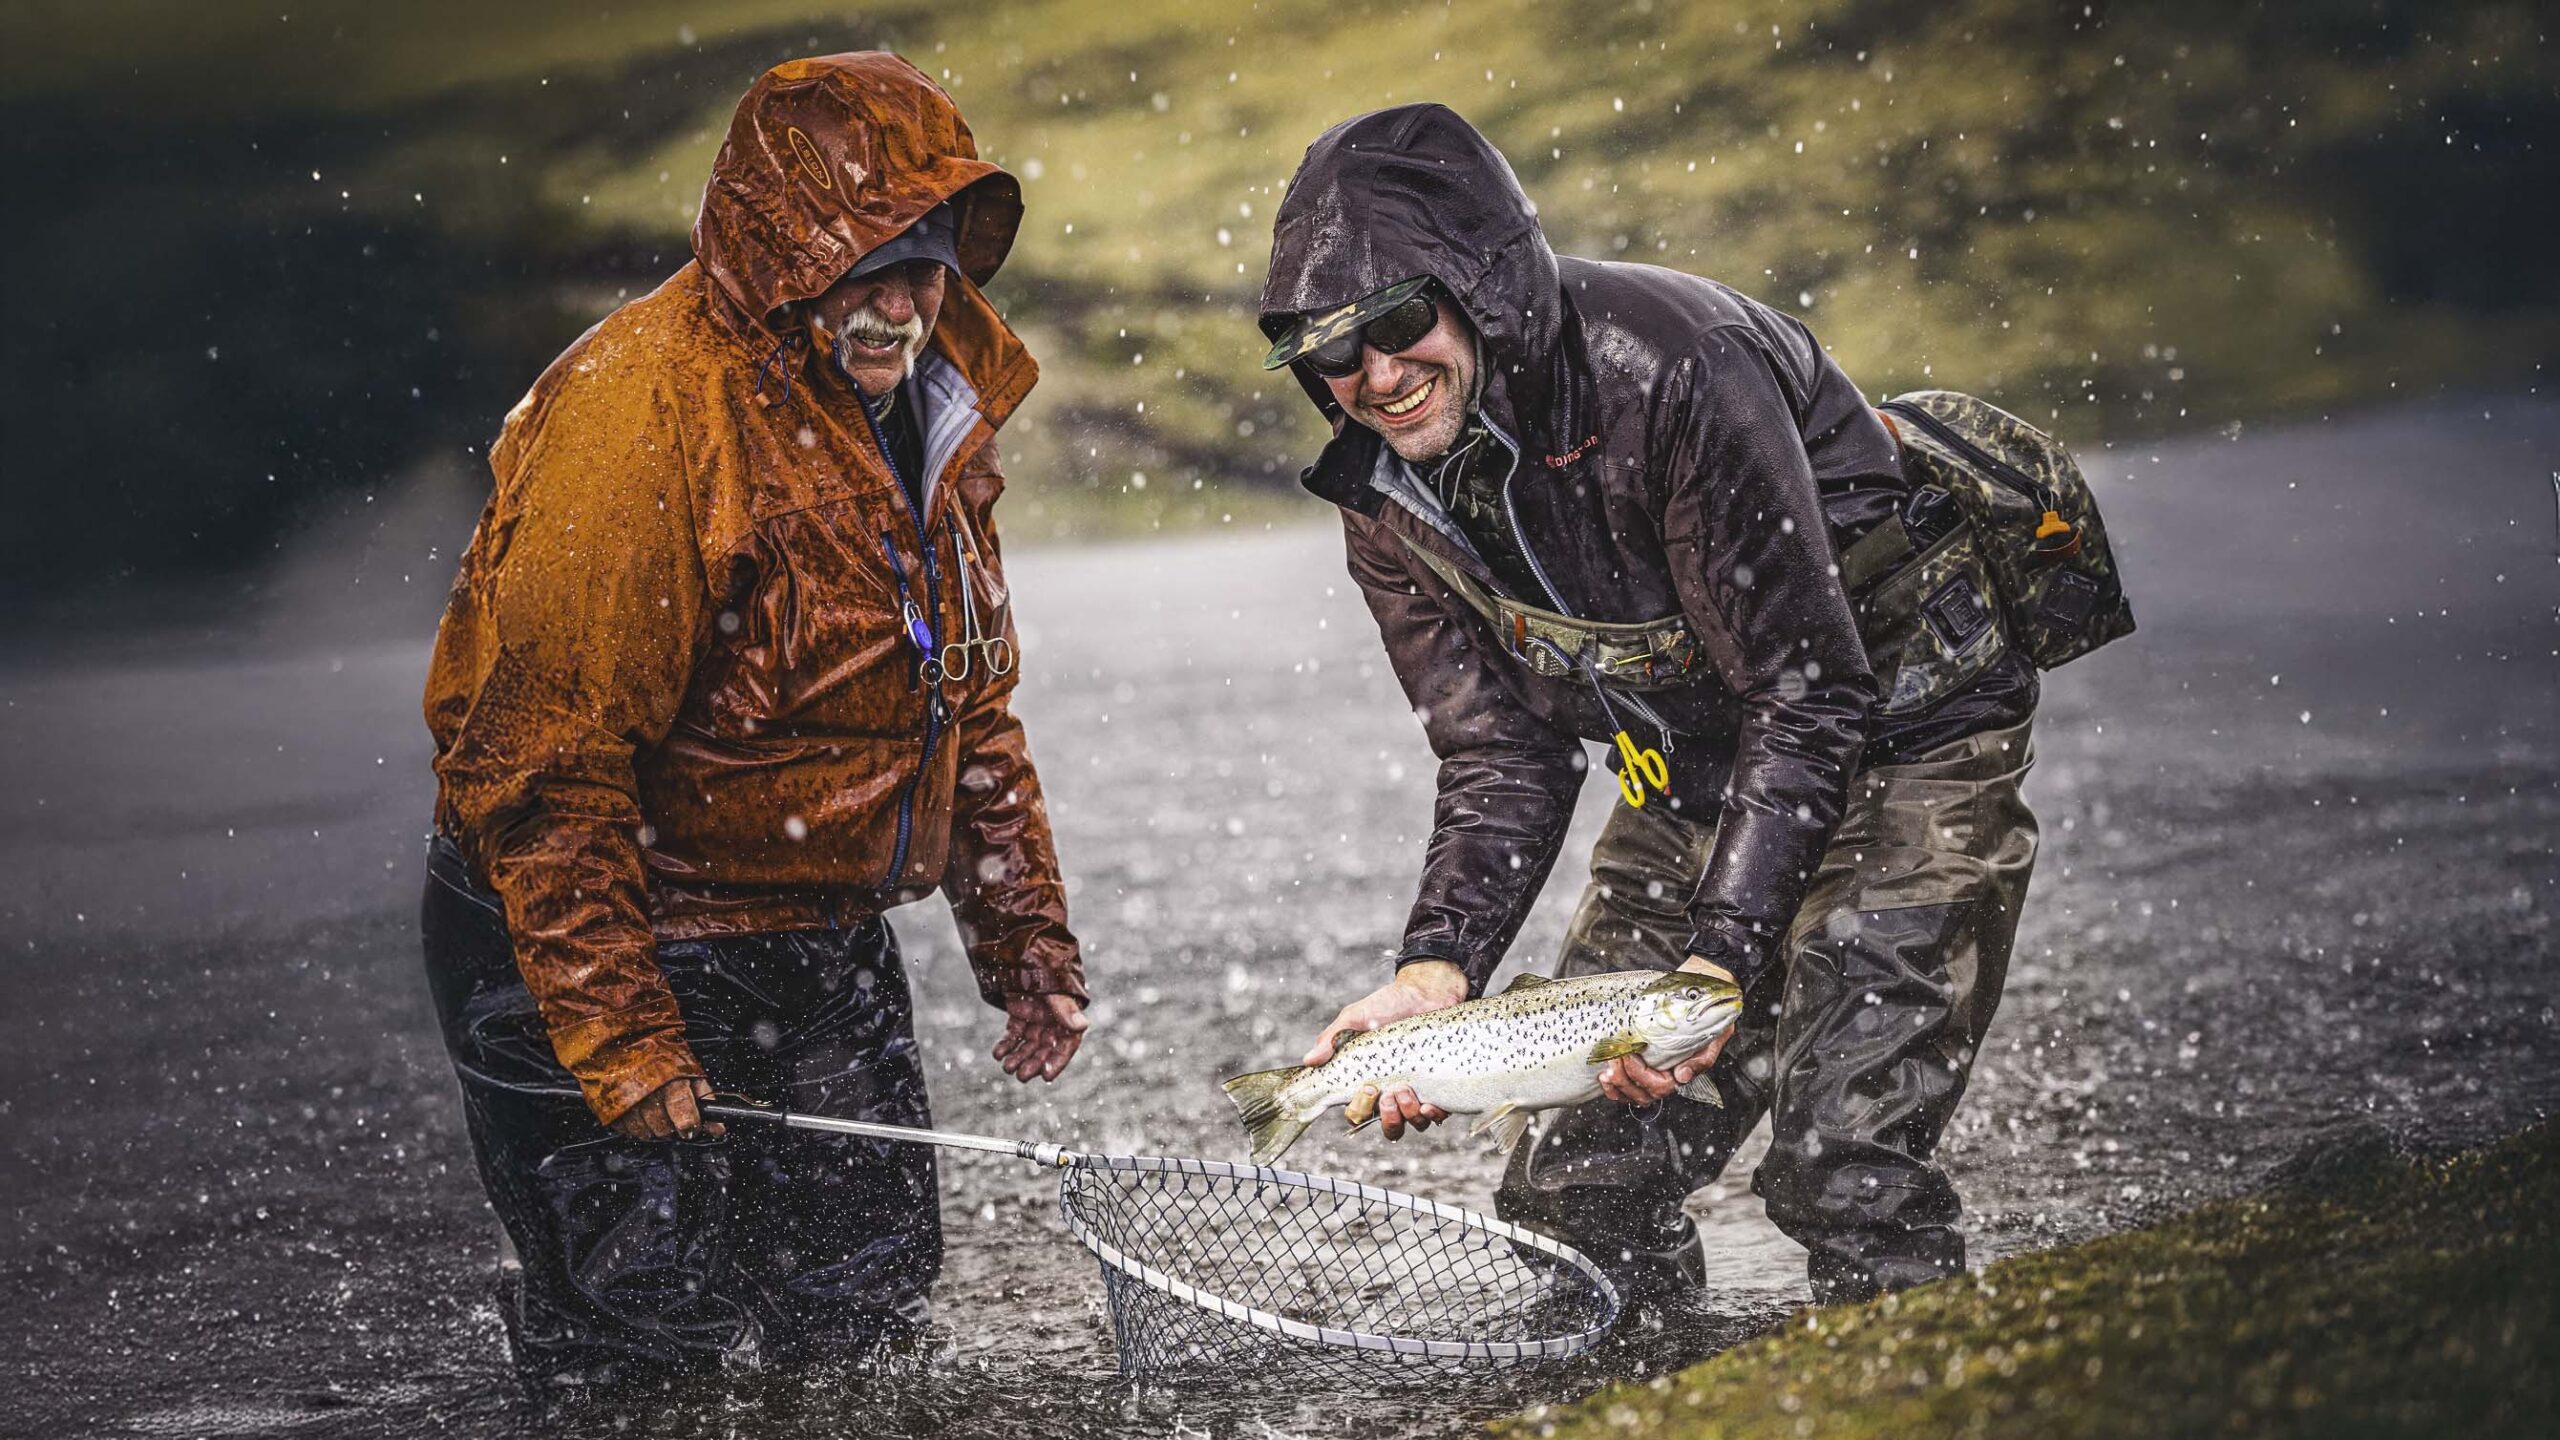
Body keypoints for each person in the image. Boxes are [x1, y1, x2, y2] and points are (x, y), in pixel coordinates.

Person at [1259, 104, 2039, 1306]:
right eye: (1330, 354)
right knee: (1575, 1190)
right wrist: (1435, 971)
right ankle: (1657, 1382)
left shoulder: (1674, 370)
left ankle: (1919, 1371)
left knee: (1846, 1166)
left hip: (1906, 741)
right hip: (1692, 772)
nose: (1375, 376)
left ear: (1479, 288)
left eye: (1399, 323)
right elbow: (1500, 755)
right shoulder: (1382, 497)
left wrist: (1716, 965)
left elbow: (1805, 695)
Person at [419, 52, 1087, 1389]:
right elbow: (545, 774)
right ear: (785, 254)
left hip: (815, 935)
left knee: (866, 1323)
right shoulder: (638, 418)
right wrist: (623, 1038)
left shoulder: (936, 400)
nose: (904, 302)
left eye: (928, 262)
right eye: (869, 264)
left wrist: (1022, 933)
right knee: (641, 1339)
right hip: (593, 927)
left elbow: (964, 693)